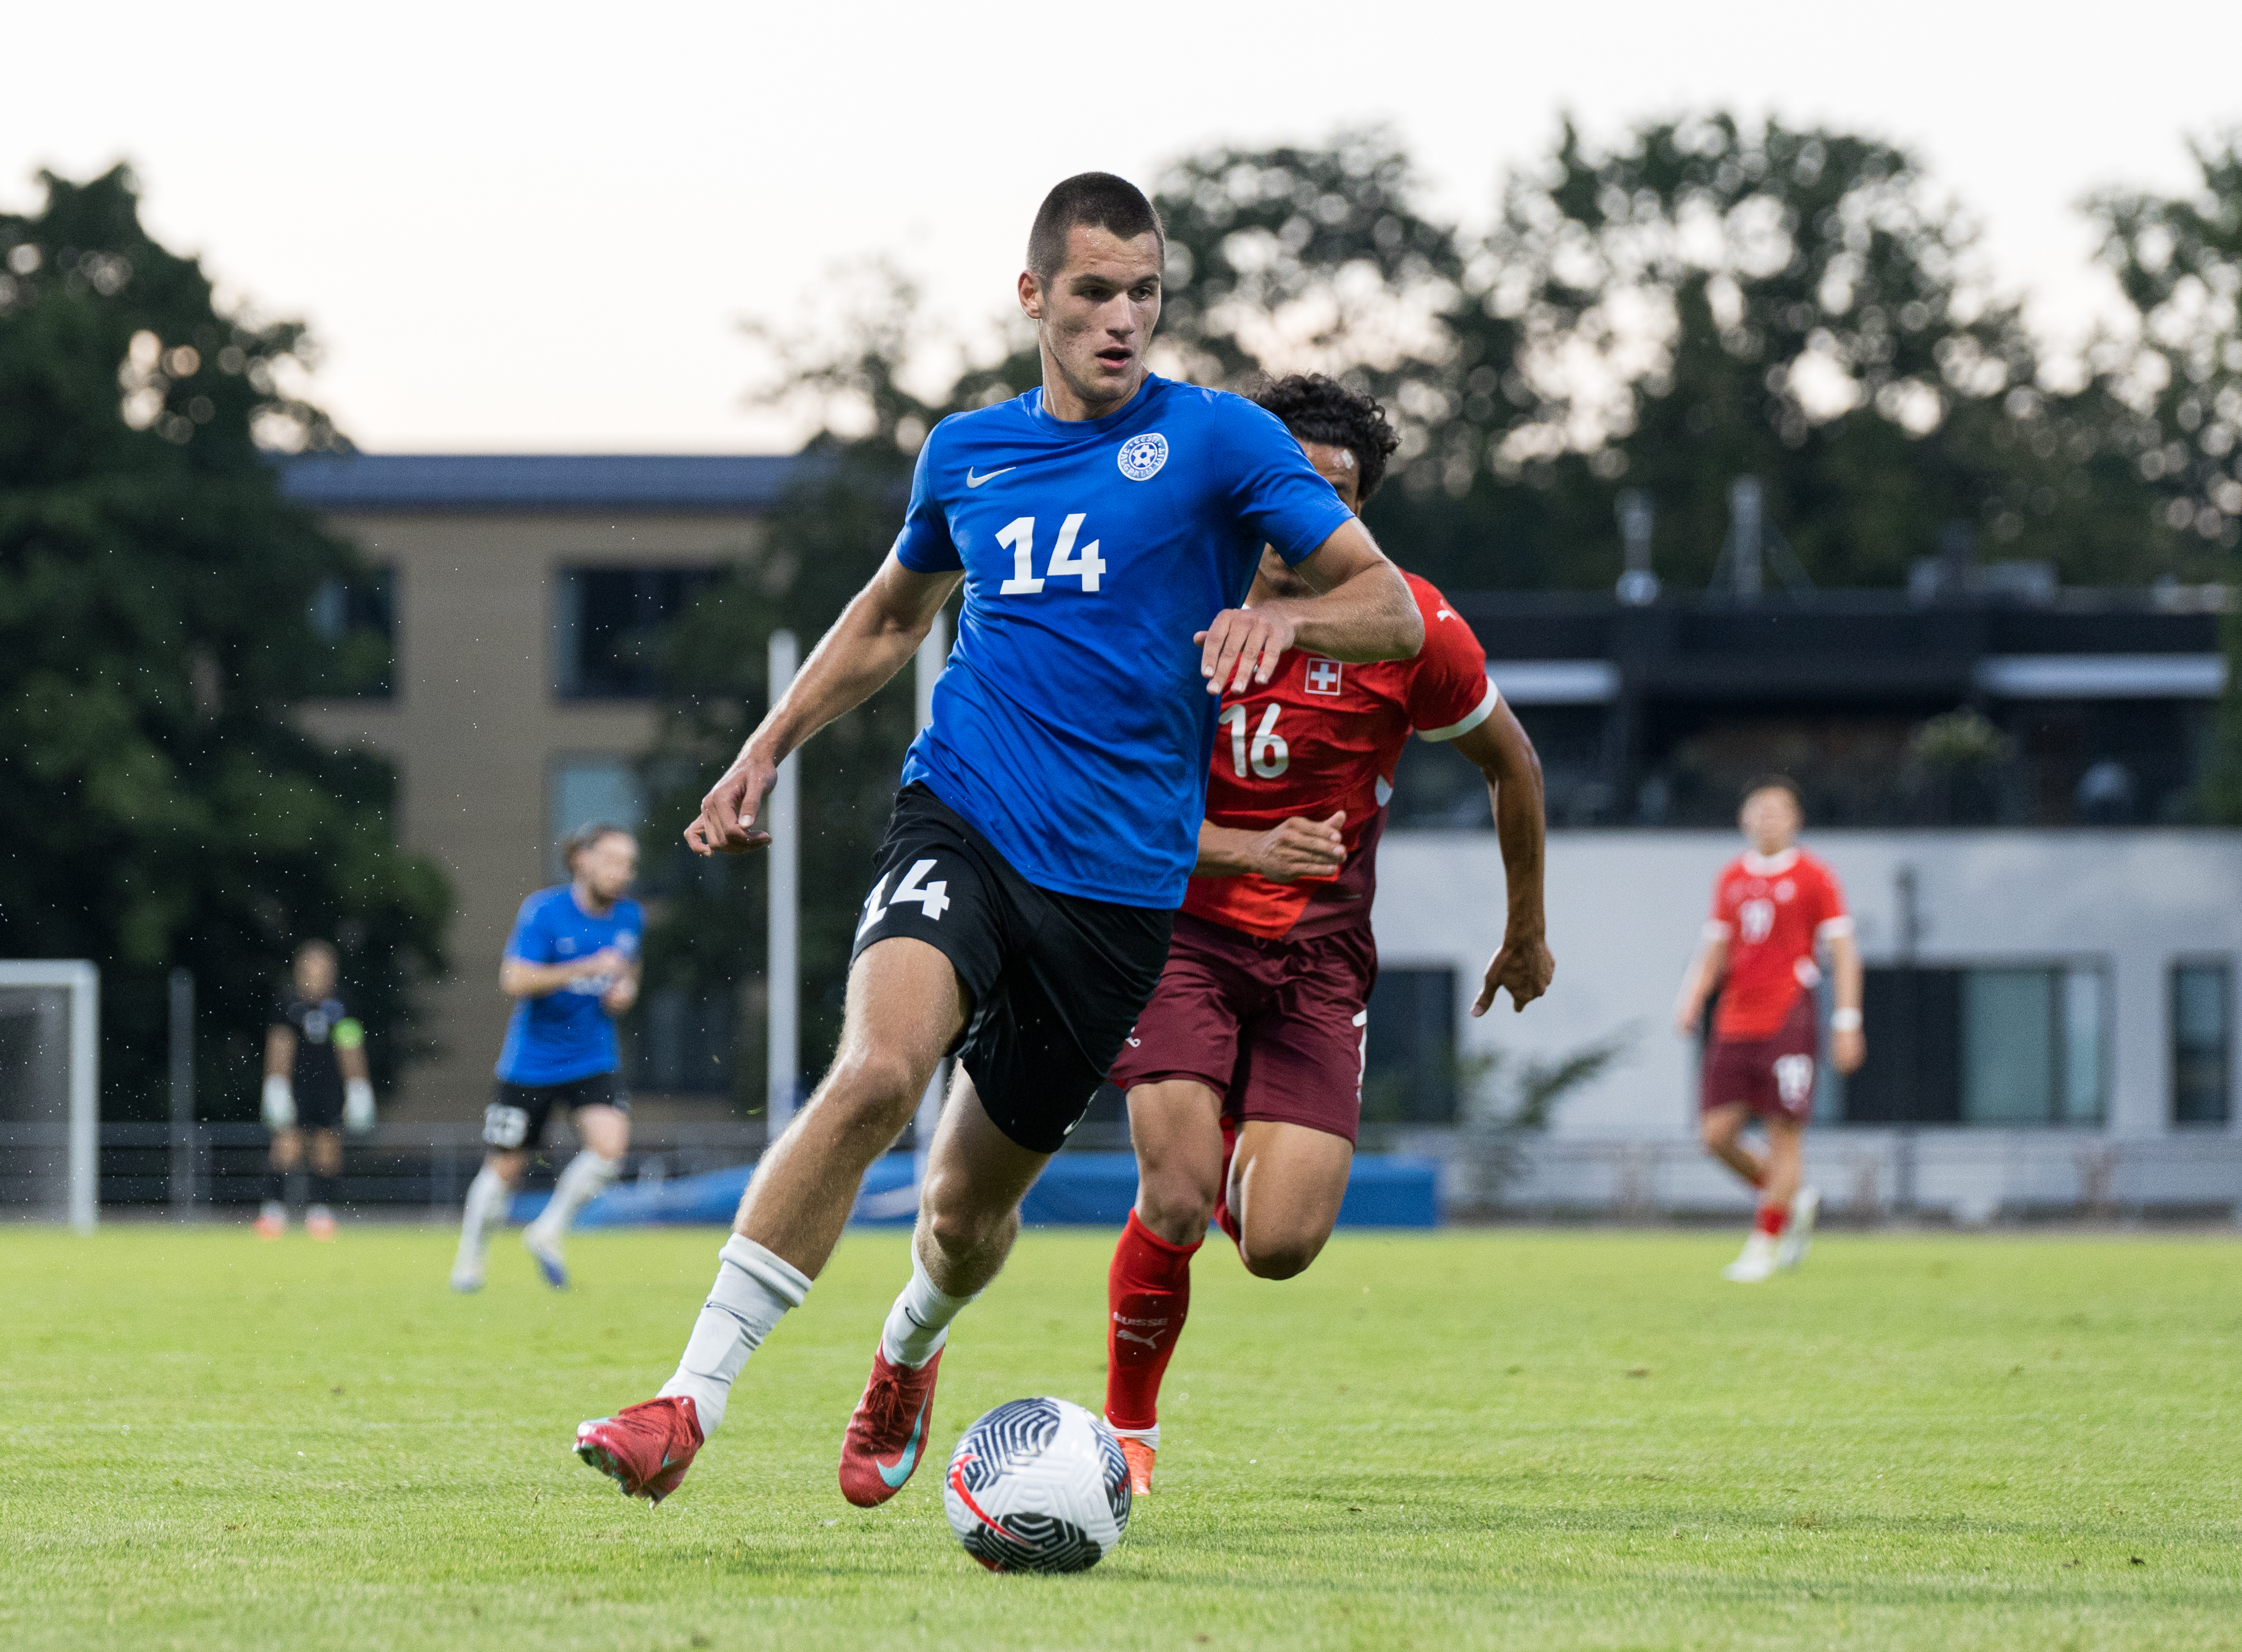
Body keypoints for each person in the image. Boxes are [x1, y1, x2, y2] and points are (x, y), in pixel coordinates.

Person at [571, 172, 1424, 1509]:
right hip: (963, 817)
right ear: (1034, 296)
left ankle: (908, 1346)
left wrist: (1290, 622)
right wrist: (764, 746)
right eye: (1093, 292)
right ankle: (687, 1398)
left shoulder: (1218, 441)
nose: (1121, 319)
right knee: (875, 1074)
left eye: (1144, 293)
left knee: (965, 1221)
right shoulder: (966, 452)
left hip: (1119, 894)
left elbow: (1391, 611)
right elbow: (891, 616)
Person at [1099, 374, 1554, 1494]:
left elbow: (1513, 762)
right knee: (1170, 1191)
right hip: (1180, 937)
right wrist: (1243, 852)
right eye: (1289, 485)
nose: (1306, 511)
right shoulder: (1166, 598)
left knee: (1283, 1249)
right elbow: (1106, 808)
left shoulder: (1411, 624)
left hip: (1317, 961)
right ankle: (1126, 1428)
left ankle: (1226, 1174)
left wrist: (1526, 931)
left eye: (1336, 494)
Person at [1671, 776, 1863, 1282]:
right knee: (1715, 1136)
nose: (1767, 818)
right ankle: (1790, 1200)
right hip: (1735, 1021)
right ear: (1744, 819)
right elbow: (1716, 944)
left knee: (1784, 1135)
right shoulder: (1731, 877)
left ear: (1796, 819)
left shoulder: (1815, 876)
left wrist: (1847, 1020)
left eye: (1778, 810)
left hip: (1789, 1018)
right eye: (1759, 809)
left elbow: (1843, 951)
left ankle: (1765, 1241)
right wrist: (1692, 996)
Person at [449, 823, 643, 1293]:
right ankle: (470, 1257)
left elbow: (629, 976)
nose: (623, 873)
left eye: (629, 864)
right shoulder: (544, 912)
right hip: (530, 1063)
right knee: (505, 1169)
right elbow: (514, 980)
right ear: (583, 859)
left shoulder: (631, 917)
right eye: (613, 861)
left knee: (611, 1147)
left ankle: (548, 1230)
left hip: (593, 1056)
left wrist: (624, 993)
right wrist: (582, 968)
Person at [257, 940, 375, 1241]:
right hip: (297, 1085)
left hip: (329, 1085)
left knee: (327, 1148)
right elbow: (279, 1045)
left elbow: (351, 1047)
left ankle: (321, 1212)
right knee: (286, 1146)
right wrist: (276, 1085)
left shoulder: (342, 1004)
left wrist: (359, 1087)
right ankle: (273, 1212)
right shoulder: (288, 1004)